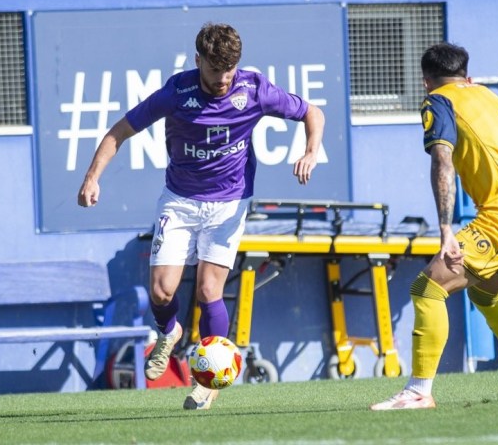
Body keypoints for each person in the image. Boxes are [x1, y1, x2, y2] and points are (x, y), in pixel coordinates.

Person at [77, 23, 325, 410]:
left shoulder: (254, 89)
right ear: (198, 62)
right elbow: (119, 132)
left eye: (229, 71)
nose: (223, 80)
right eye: (214, 71)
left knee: (209, 290)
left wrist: (311, 150)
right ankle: (170, 331)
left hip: (229, 203)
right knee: (162, 291)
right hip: (179, 200)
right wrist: (92, 178)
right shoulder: (177, 92)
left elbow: (313, 112)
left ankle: (207, 384)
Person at [371, 42, 498, 410]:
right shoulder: (497, 103)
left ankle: (419, 391)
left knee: (427, 288)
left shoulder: (438, 101)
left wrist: (446, 229)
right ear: (468, 76)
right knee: (484, 293)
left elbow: (442, 161)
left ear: (426, 82)